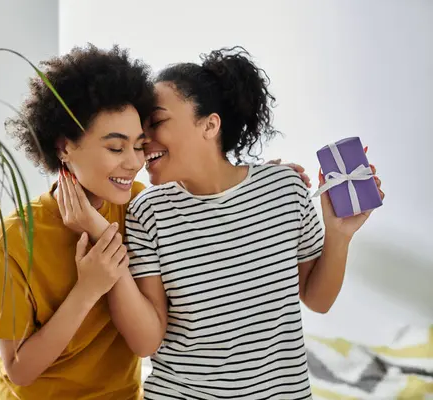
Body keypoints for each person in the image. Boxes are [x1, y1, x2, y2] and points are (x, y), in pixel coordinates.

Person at [59, 47, 384, 399]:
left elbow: (317, 300)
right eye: (142, 130)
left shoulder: (285, 188)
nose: (143, 141)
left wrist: (339, 234)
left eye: (157, 122)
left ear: (210, 125)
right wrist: (106, 242)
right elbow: (146, 341)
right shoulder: (147, 211)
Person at [0, 44, 154, 399]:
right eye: (115, 147)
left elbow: (206, 202)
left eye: (139, 146)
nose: (134, 162)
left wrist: (260, 181)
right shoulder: (14, 238)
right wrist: (88, 289)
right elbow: (19, 371)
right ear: (64, 147)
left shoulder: (140, 205)